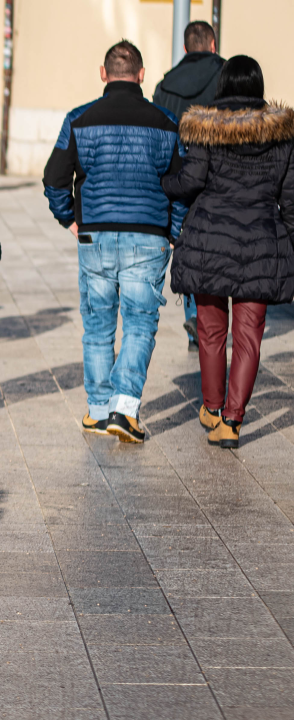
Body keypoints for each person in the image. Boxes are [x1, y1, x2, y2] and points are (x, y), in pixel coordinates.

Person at [43, 41, 186, 443]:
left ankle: (97, 410)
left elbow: (54, 178)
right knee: (140, 324)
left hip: (96, 235)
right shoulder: (167, 122)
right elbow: (182, 185)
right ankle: (124, 408)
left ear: (103, 73)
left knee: (98, 324)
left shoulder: (78, 118)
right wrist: (172, 230)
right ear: (141, 75)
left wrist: (69, 218)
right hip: (148, 235)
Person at [161, 56, 294, 449]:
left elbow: (191, 180)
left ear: (222, 86)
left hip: (209, 242)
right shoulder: (282, 133)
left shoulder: (206, 126)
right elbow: (290, 199)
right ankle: (233, 422)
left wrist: (163, 182)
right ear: (258, 86)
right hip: (260, 245)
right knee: (250, 337)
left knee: (211, 331)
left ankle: (213, 406)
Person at [153, 20, 225, 352]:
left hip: (181, 178)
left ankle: (195, 316)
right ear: (213, 45)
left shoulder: (166, 85)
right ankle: (210, 317)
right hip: (221, 177)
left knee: (187, 243)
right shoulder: (225, 75)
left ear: (185, 48)